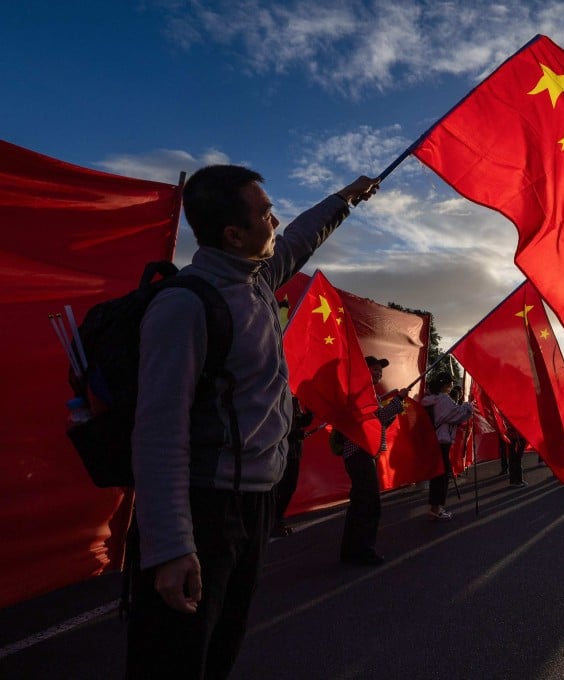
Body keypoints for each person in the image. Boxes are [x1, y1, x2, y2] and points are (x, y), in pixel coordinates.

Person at [126, 164, 379, 679]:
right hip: (206, 511)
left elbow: (303, 236)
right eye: (266, 214)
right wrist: (172, 547)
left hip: (254, 506)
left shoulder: (258, 275)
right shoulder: (185, 305)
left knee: (220, 650)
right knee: (175, 660)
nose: (276, 219)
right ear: (233, 235)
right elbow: (158, 435)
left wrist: (347, 197)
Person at [331, 356, 409, 563]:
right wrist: (398, 401)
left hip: (361, 453)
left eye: (379, 370)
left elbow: (379, 423)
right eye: (374, 369)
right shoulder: (360, 393)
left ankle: (351, 550)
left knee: (361, 502)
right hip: (359, 452)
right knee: (368, 503)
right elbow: (377, 420)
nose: (378, 372)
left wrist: (395, 407)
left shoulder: (366, 393)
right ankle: (362, 550)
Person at [421, 372, 473, 521]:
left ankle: (435, 507)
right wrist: (468, 407)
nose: (451, 387)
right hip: (441, 442)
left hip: (432, 440)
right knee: (441, 477)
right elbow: (457, 414)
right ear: (445, 385)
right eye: (450, 384)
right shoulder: (443, 400)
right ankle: (435, 509)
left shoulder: (429, 399)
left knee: (437, 476)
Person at [272, 395, 315, 537]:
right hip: (282, 451)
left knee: (289, 487)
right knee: (281, 488)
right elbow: (278, 424)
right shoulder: (278, 396)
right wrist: (297, 433)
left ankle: (278, 519)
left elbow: (298, 421)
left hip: (295, 451)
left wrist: (310, 414)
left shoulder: (294, 398)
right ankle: (274, 521)